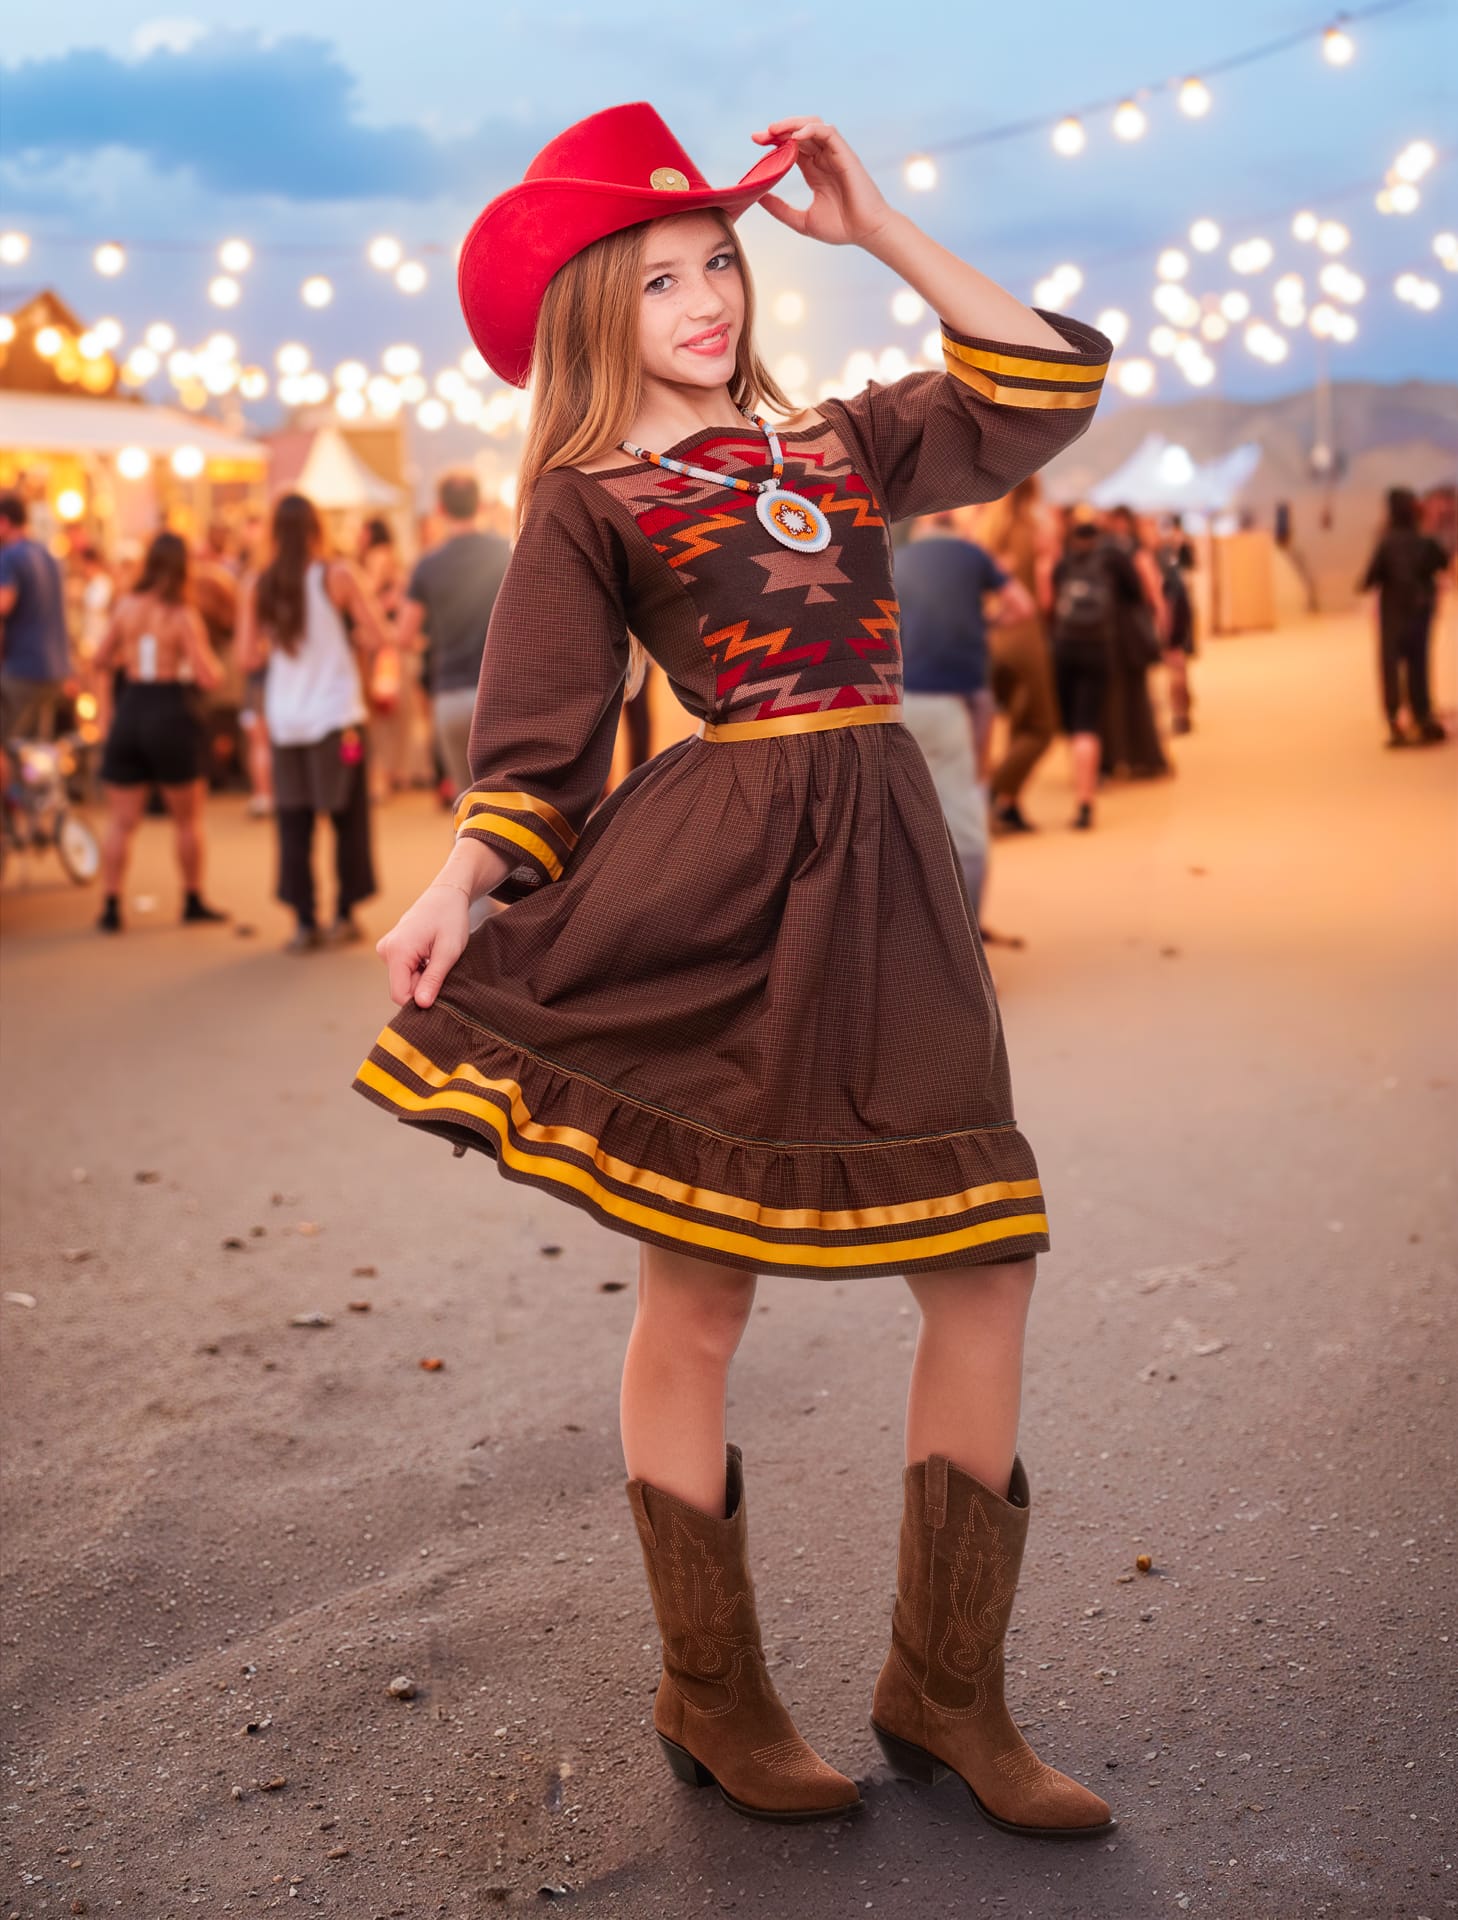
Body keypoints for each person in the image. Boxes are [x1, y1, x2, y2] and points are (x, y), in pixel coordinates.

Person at [354, 104, 1116, 1837]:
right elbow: (538, 748)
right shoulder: (583, 499)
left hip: (891, 886)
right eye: (661, 277)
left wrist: (882, 227)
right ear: (593, 312)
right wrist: (457, 889)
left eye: (722, 263)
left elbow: (1045, 384)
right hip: (720, 892)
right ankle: (711, 1693)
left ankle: (948, 1689)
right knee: (699, 1298)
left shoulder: (843, 444)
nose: (707, 299)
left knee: (984, 1264)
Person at [237, 493, 391, 952]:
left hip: (287, 719)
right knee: (348, 815)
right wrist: (351, 640)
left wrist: (277, 643)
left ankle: (304, 920)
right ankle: (344, 913)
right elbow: (379, 633)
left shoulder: (258, 584)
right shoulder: (336, 575)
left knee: (293, 820)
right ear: (315, 528)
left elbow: (247, 657)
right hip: (337, 714)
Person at [893, 510, 1034, 922]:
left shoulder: (896, 561)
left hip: (904, 698)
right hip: (962, 697)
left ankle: (920, 928)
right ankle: (968, 932)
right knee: (967, 815)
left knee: (915, 812)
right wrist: (986, 621)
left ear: (920, 529)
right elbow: (1022, 606)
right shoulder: (973, 556)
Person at [90, 530, 230, 933]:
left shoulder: (125, 607)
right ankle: (192, 897)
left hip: (132, 706)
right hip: (171, 710)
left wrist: (107, 709)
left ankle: (111, 905)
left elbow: (100, 659)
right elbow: (208, 676)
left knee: (121, 821)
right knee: (187, 818)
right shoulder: (182, 614)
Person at [395, 474, 511, 804]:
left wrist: (430, 642)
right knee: (504, 804)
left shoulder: (428, 565)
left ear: (440, 509)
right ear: (480, 504)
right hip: (498, 692)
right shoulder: (504, 552)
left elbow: (404, 635)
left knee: (466, 807)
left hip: (450, 694)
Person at [981, 476, 1059, 833]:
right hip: (1025, 636)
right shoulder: (1034, 529)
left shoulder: (985, 532)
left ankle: (1008, 804)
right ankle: (990, 791)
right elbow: (1043, 598)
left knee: (1014, 723)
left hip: (993, 637)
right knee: (1041, 727)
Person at [1048, 512, 1136, 829]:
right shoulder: (1111, 561)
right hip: (1098, 647)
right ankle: (1085, 800)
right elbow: (1135, 594)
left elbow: (1049, 603)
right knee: (1089, 725)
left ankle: (1078, 776)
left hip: (1065, 647)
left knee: (1074, 727)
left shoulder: (1063, 565)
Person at [1360, 486, 1449, 747]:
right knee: (1418, 666)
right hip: (1421, 613)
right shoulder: (1425, 542)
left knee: (1390, 666)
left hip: (1393, 616)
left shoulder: (1386, 544)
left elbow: (1368, 579)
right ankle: (1422, 716)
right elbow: (1443, 563)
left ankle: (1395, 720)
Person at [1101, 504, 1170, 779]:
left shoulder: (1101, 552)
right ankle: (1143, 758)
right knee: (1137, 697)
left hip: (1110, 634)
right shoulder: (1135, 553)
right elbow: (1150, 591)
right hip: (1129, 633)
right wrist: (1161, 624)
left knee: (1117, 699)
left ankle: (1117, 758)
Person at [0, 492, 71, 746]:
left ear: (4, 522)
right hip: (55, 670)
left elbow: (3, 603)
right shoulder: (46, 553)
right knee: (34, 749)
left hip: (22, 670)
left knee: (10, 746)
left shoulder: (9, 556)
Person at [356, 517, 412, 803]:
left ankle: (381, 779)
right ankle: (394, 774)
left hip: (379, 646)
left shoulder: (378, 556)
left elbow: (368, 591)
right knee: (393, 713)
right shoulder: (394, 557)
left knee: (379, 712)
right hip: (390, 643)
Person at [1154, 513, 1197, 735]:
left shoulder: (1157, 555)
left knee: (1175, 660)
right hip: (1177, 605)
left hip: (1171, 609)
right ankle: (1182, 712)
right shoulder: (1164, 552)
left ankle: (1180, 713)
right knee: (1177, 661)